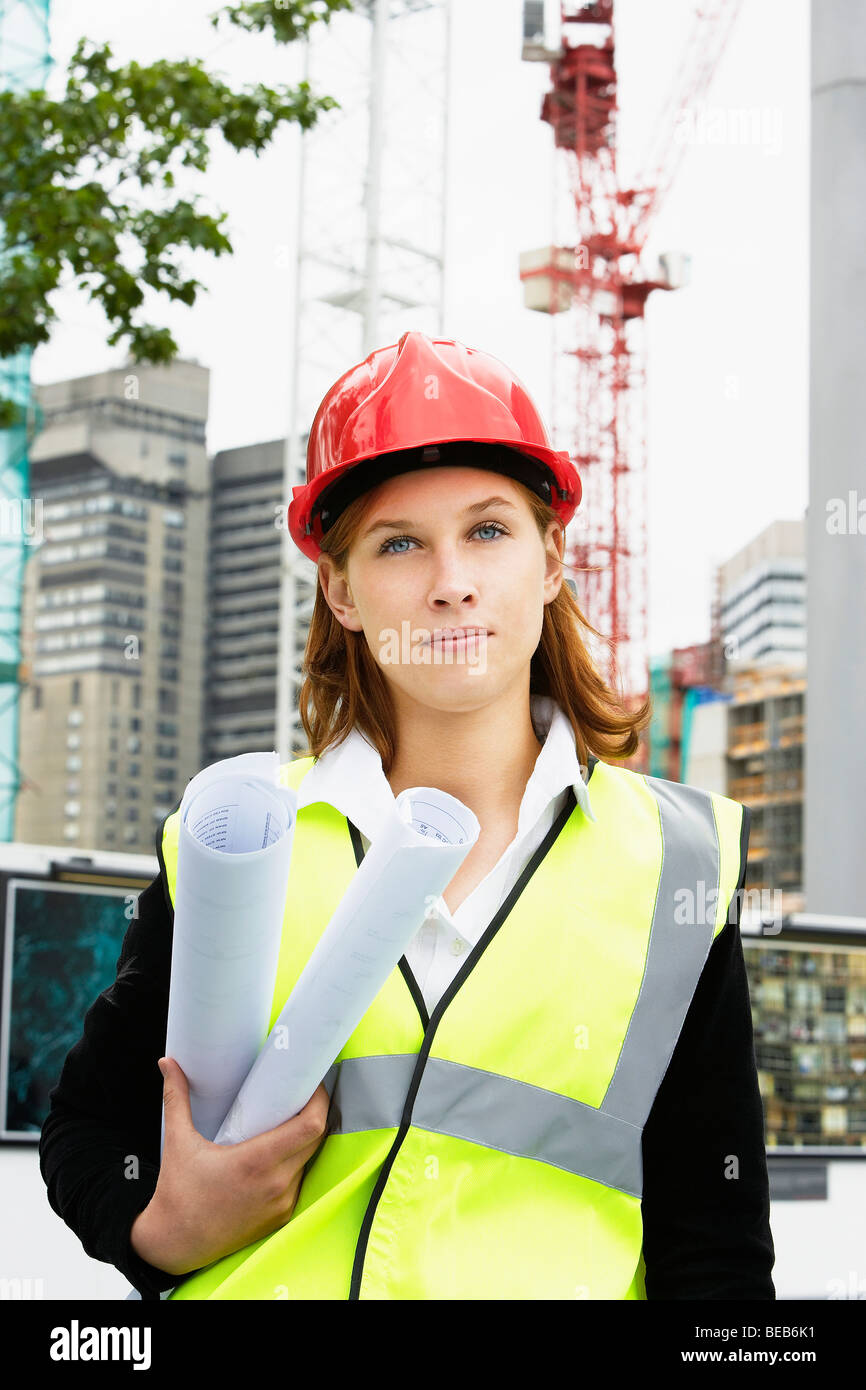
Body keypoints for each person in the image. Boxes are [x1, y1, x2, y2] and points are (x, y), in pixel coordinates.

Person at [39, 330, 775, 1300]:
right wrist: (162, 1229)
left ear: (550, 561)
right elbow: (91, 1131)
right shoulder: (240, 846)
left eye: (487, 530)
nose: (450, 581)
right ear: (339, 590)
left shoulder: (675, 864)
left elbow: (712, 1239)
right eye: (398, 544)